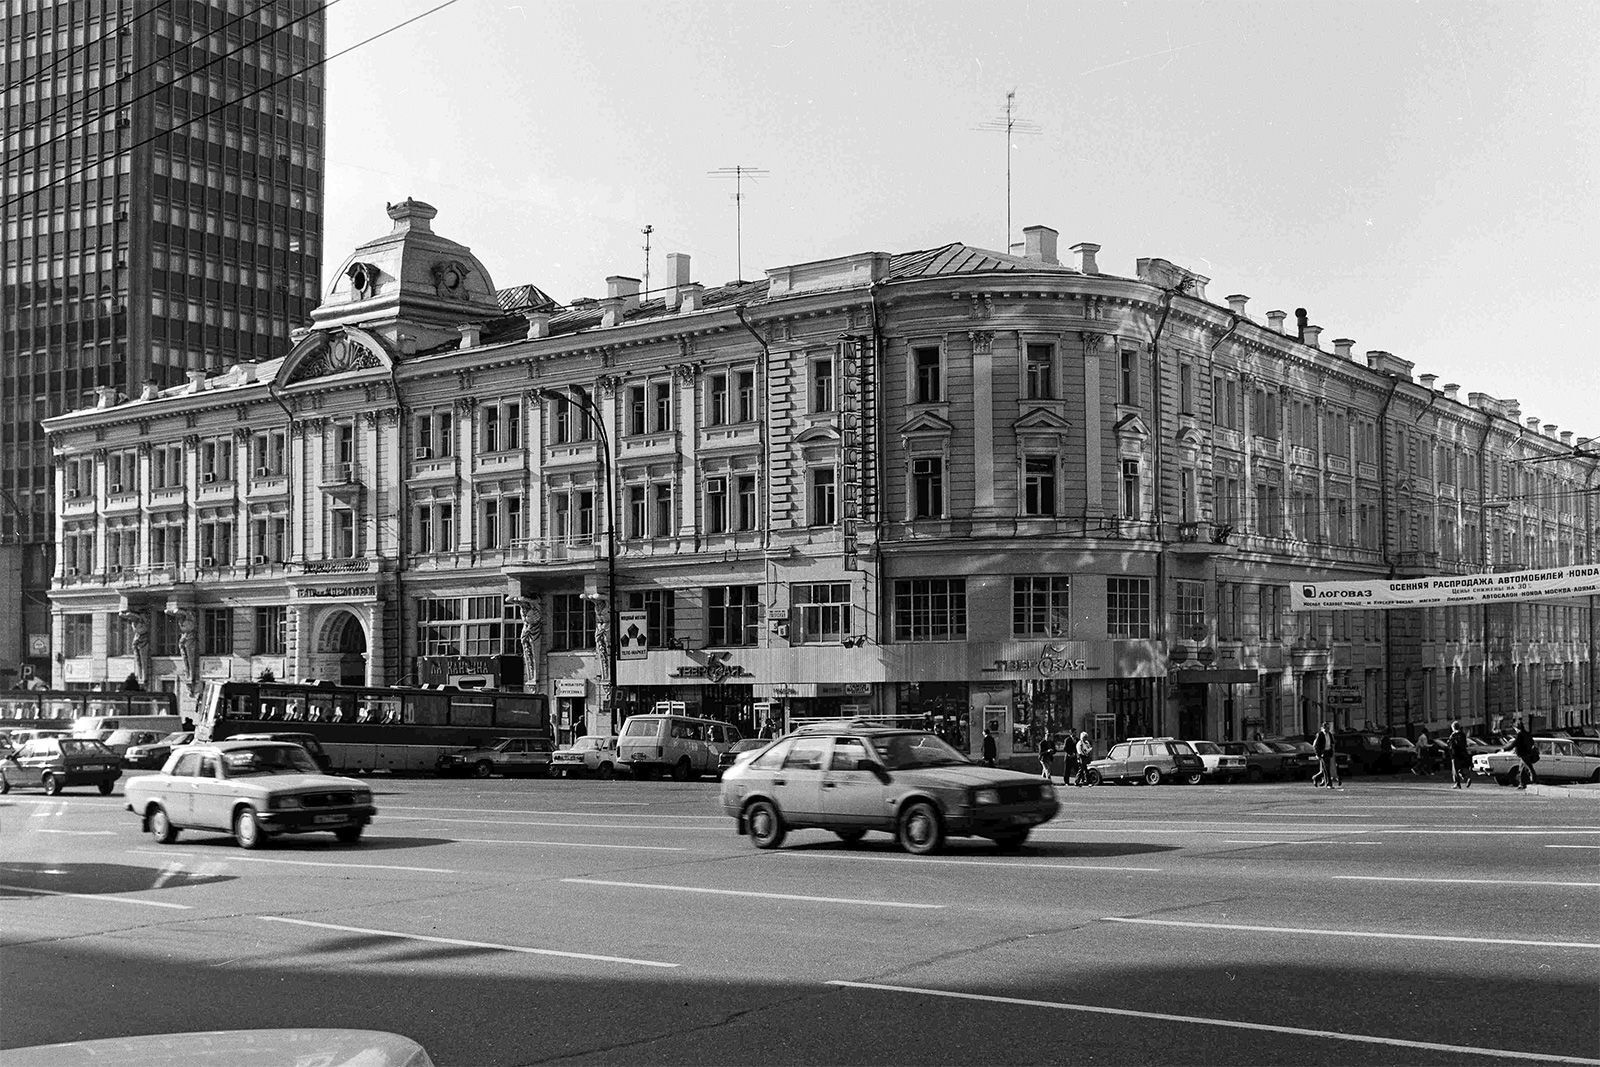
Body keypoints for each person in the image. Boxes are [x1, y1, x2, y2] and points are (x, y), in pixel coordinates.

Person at [1505, 718, 1538, 790]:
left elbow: (1514, 744)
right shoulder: (1526, 733)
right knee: (1522, 770)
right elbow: (1532, 742)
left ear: (1517, 728)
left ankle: (1534, 781)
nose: (1515, 730)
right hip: (1527, 753)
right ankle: (1522, 784)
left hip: (1523, 754)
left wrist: (1505, 749)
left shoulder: (1520, 735)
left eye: (1515, 728)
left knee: (1529, 768)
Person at [1446, 719, 1472, 789]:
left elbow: (1449, 744)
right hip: (1463, 753)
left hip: (1455, 754)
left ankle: (1457, 783)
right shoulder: (1462, 734)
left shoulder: (1453, 735)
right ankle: (1467, 778)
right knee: (1461, 768)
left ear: (1453, 727)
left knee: (1455, 770)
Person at [1311, 721, 1337, 788]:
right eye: (1326, 728)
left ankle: (1315, 778)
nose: (1328, 729)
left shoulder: (1330, 734)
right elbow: (1315, 745)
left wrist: (1332, 750)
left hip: (1328, 752)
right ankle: (1329, 784)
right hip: (1323, 753)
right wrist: (1318, 754)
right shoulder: (1320, 734)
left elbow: (1332, 743)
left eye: (1329, 728)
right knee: (1327, 769)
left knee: (1325, 769)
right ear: (1323, 728)